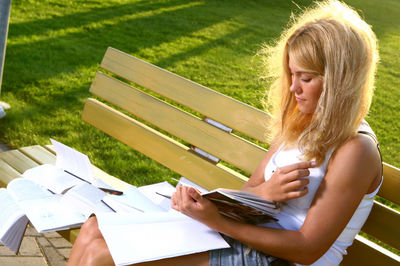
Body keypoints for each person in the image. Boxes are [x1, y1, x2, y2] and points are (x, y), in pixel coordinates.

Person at [67, 1, 382, 265]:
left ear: (340, 81)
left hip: (281, 259)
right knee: (94, 230)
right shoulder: (302, 122)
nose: (293, 87)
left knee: (102, 256)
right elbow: (252, 191)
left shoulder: (355, 150)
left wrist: (215, 220)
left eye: (306, 78)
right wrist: (261, 194)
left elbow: (308, 247)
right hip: (245, 239)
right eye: (292, 74)